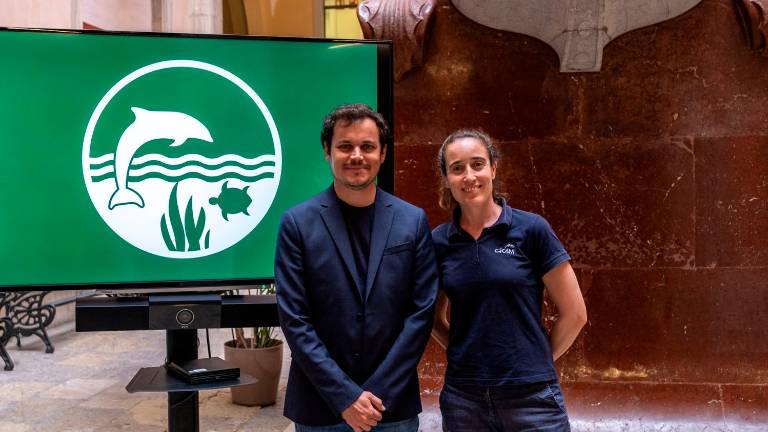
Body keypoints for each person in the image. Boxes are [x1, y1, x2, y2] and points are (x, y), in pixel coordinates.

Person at [275, 104, 439, 432]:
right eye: (345, 146)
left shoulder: (412, 221)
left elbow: (421, 314)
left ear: (383, 153)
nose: (356, 156)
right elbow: (295, 319)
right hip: (321, 406)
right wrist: (346, 397)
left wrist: (375, 395)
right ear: (327, 151)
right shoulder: (297, 223)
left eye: (367, 146)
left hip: (391, 407)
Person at [431, 129, 587, 431]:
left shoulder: (532, 230)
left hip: (533, 399)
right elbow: (432, 318)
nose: (469, 176)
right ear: (446, 178)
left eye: (477, 164)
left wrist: (533, 360)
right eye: (457, 168)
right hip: (465, 399)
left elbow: (575, 314)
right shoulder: (438, 242)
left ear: (493, 168)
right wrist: (467, 353)